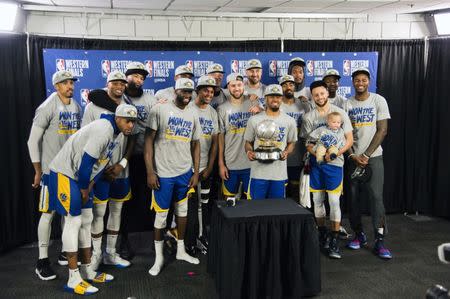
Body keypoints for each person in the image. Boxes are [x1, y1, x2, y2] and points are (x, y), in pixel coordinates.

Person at [48, 104, 137, 295]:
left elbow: (101, 164)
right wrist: (83, 187)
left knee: (87, 220)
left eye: (134, 122)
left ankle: (87, 270)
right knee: (75, 221)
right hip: (65, 173)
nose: (131, 125)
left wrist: (89, 185)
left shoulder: (117, 133)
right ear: (118, 118)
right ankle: (73, 278)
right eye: (128, 121)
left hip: (82, 177)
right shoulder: (104, 129)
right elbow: (87, 161)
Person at [27, 70, 81, 280]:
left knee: (67, 214)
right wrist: (38, 170)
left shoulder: (75, 105)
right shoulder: (47, 106)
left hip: (70, 171)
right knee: (48, 214)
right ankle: (41, 261)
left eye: (71, 82)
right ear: (56, 86)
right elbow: (32, 141)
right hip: (51, 171)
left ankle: (64, 253)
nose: (70, 86)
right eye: (65, 83)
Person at [144, 78, 201, 276]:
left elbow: (196, 144)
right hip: (163, 173)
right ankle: (159, 257)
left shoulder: (193, 112)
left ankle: (180, 250)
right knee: (161, 216)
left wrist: (195, 172)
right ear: (175, 91)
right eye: (183, 91)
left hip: (184, 172)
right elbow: (148, 141)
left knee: (183, 212)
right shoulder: (159, 110)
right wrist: (150, 171)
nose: (187, 95)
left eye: (190, 92)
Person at [82, 71, 134, 270]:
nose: (119, 85)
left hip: (120, 170)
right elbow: (85, 138)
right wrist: (98, 166)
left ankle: (111, 253)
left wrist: (122, 163)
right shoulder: (92, 107)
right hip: (99, 171)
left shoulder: (127, 106)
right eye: (115, 82)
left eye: (122, 82)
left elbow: (132, 138)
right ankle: (96, 254)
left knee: (116, 211)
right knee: (98, 213)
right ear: (107, 83)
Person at [346, 67, 392, 259]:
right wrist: (352, 155)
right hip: (353, 159)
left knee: (376, 198)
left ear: (369, 81)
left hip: (373, 158)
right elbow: (344, 134)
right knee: (353, 200)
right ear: (353, 82)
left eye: (364, 80)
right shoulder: (347, 103)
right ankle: (359, 235)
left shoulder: (378, 100)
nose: (360, 83)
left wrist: (365, 155)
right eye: (357, 80)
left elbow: (382, 130)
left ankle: (380, 241)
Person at [118, 62, 159, 260]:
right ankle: (122, 239)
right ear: (126, 78)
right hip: (124, 156)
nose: (138, 80)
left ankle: (153, 240)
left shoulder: (151, 100)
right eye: (135, 76)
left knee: (149, 199)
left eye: (142, 78)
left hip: (147, 156)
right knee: (124, 201)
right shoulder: (119, 98)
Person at [306, 112, 352, 258]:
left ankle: (334, 239)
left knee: (333, 202)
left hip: (334, 167)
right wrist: (318, 155)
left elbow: (344, 146)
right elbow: (308, 144)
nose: (336, 124)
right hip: (318, 166)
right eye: (334, 122)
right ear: (328, 121)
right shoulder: (320, 130)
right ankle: (322, 233)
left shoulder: (341, 134)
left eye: (339, 122)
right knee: (317, 200)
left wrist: (333, 154)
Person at [244, 84, 297, 200]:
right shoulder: (254, 120)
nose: (275, 100)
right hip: (258, 173)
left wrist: (287, 152)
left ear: (281, 98)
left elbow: (292, 142)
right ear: (266, 98)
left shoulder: (290, 121)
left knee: (277, 210)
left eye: (278, 96)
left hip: (279, 174)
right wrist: (249, 152)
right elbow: (248, 142)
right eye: (271, 96)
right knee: (254, 209)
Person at [186, 75, 219, 254]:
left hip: (206, 165)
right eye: (205, 90)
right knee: (189, 206)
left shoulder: (212, 113)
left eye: (212, 91)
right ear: (197, 91)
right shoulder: (188, 108)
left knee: (204, 204)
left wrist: (210, 166)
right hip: (188, 167)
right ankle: (188, 239)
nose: (209, 93)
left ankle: (200, 236)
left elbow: (215, 143)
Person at [217, 73, 254, 200]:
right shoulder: (222, 109)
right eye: (233, 86)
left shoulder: (253, 104)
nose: (236, 88)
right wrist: (221, 164)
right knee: (229, 203)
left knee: (251, 204)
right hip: (230, 164)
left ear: (243, 85)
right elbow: (220, 139)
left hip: (251, 164)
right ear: (228, 87)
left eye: (239, 85)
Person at [279, 74, 309, 201]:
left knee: (297, 189)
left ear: (295, 86)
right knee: (282, 188)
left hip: (298, 152)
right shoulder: (276, 104)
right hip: (281, 152)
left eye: (291, 84)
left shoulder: (302, 103)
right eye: (284, 85)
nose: (288, 87)